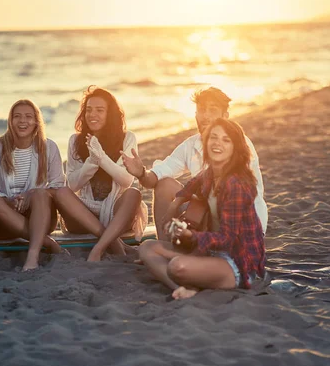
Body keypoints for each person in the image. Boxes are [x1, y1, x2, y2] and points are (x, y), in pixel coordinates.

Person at [138, 118, 266, 300]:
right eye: (213, 137)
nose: (217, 143)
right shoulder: (211, 173)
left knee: (177, 266)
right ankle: (183, 288)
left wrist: (191, 236)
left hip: (237, 262)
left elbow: (228, 239)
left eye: (226, 140)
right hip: (209, 252)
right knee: (146, 248)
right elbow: (191, 184)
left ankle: (190, 285)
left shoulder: (236, 184)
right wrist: (175, 204)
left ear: (235, 149)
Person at [122, 87, 268, 239]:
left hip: (240, 222)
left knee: (200, 202)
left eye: (212, 110)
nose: (205, 116)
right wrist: (141, 173)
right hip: (205, 214)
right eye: (202, 110)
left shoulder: (239, 143)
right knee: (164, 185)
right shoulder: (190, 145)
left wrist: (177, 203)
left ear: (225, 116)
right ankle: (164, 245)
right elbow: (156, 176)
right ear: (195, 114)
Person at [53, 86, 148, 262]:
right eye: (88, 110)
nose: (92, 114)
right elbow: (73, 185)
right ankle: (114, 243)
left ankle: (98, 248)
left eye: (99, 110)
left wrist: (102, 158)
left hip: (116, 215)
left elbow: (126, 180)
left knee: (134, 193)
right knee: (60, 192)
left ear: (110, 113)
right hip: (83, 217)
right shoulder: (75, 141)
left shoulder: (127, 138)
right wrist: (91, 161)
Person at [0, 99, 65, 271]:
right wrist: (8, 201)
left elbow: (58, 185)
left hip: (40, 216)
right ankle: (47, 242)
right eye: (17, 116)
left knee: (41, 194)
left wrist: (31, 194)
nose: (22, 121)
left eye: (28, 116)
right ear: (10, 121)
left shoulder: (48, 147)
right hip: (5, 219)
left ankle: (32, 257)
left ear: (36, 121)